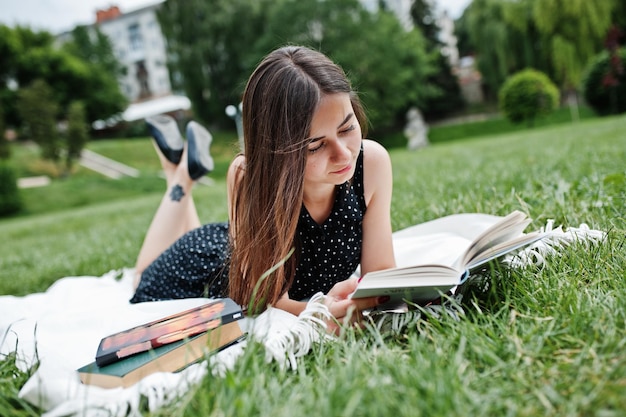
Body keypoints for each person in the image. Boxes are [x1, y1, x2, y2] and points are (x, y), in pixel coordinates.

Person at [131, 45, 396, 331]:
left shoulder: (372, 163)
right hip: (204, 268)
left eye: (346, 129)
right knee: (140, 277)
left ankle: (180, 170)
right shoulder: (249, 176)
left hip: (235, 245)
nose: (343, 154)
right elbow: (262, 300)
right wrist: (319, 312)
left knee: (230, 241)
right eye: (315, 146)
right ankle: (182, 176)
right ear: (276, 151)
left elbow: (380, 273)